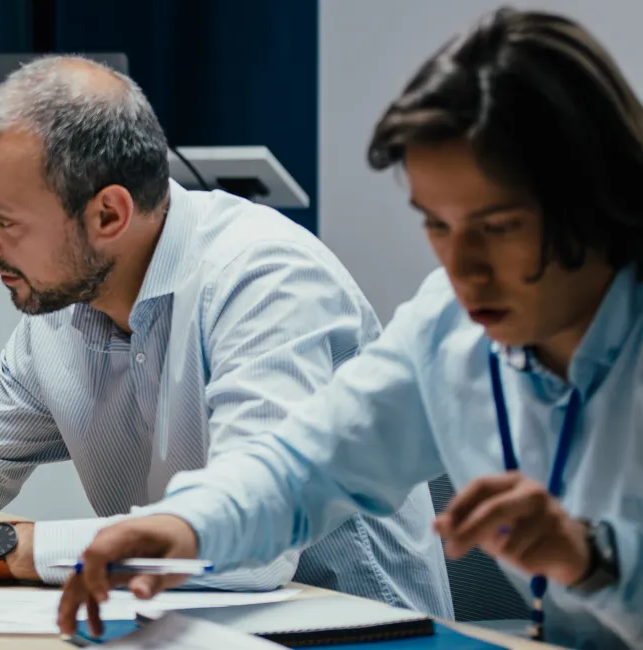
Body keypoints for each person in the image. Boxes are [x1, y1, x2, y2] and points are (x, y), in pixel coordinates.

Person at [0, 56, 451, 616]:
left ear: (108, 215)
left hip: (351, 627)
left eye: (3, 219)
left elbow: (247, 546)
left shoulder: (266, 281)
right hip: (186, 619)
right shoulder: (68, 305)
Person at [60, 9, 643, 648]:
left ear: (598, 196)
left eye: (500, 227)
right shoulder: (450, 327)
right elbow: (308, 463)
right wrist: (185, 524)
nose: (463, 269)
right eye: (438, 226)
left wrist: (597, 560)